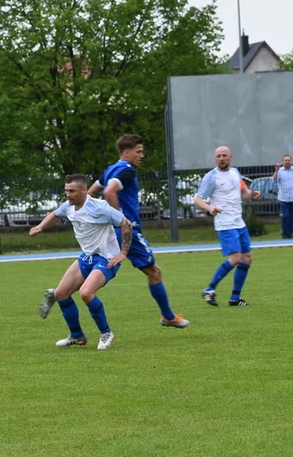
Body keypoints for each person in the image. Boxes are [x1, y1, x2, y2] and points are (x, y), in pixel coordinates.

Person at [43, 133, 188, 329]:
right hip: (127, 230)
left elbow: (91, 192)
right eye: (139, 152)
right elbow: (110, 191)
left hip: (108, 233)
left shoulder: (110, 169)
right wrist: (116, 216)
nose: (141, 156)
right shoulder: (127, 171)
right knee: (154, 271)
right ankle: (168, 317)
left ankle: (61, 292)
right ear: (126, 152)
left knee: (95, 267)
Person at [30, 174, 132, 350]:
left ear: (84, 190)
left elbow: (126, 224)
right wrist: (40, 226)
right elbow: (55, 214)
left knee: (86, 293)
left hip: (107, 258)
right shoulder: (69, 207)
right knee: (61, 293)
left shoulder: (99, 207)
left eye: (72, 191)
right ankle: (77, 335)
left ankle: (106, 333)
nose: (68, 195)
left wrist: (123, 253)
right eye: (66, 191)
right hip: (87, 257)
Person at [193, 146, 261, 307]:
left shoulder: (235, 173)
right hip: (225, 223)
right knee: (236, 258)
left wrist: (252, 194)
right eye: (218, 156)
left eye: (224, 155)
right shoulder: (211, 177)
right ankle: (209, 289)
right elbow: (198, 199)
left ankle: (235, 299)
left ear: (230, 157)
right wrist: (210, 208)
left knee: (247, 258)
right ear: (215, 159)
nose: (221, 158)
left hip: (239, 222)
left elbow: (243, 192)